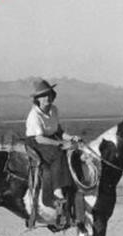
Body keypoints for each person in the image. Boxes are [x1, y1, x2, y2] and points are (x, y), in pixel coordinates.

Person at [24, 79, 81, 228]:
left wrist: (71, 138)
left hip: (50, 139)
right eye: (43, 96)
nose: (47, 99)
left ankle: (73, 191)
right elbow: (39, 138)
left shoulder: (54, 110)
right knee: (58, 154)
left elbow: (59, 132)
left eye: (49, 95)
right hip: (37, 141)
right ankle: (57, 192)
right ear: (37, 99)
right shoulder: (34, 115)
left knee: (74, 152)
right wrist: (61, 144)